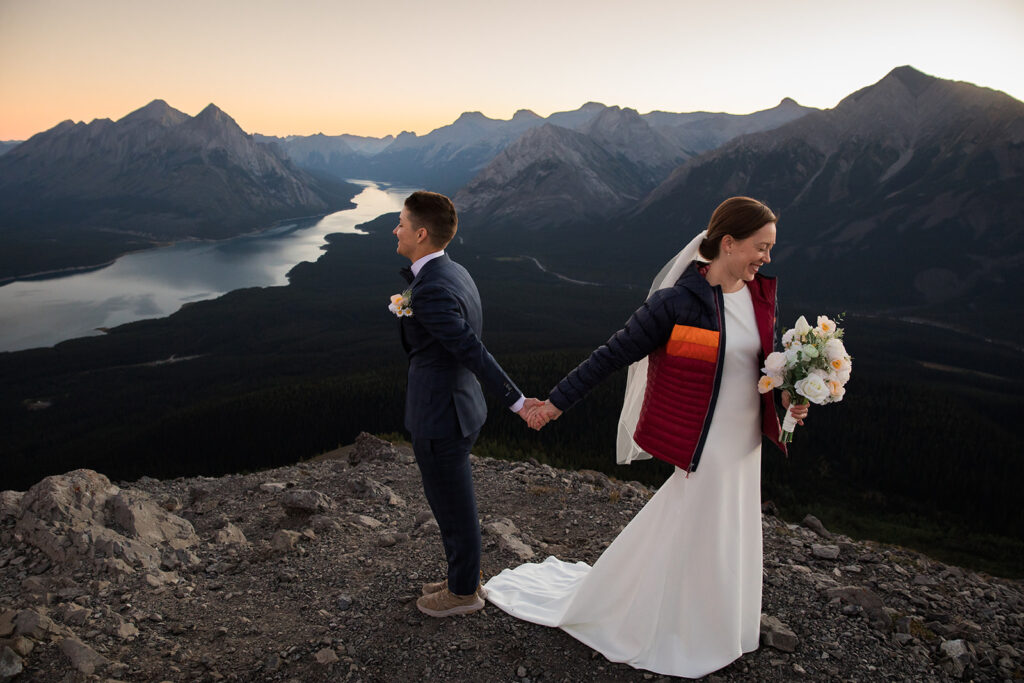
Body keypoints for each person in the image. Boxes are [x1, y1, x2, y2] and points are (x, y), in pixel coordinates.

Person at [485, 197, 808, 677]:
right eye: (760, 247)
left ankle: (721, 623)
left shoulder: (759, 295)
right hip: (707, 440)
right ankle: (679, 627)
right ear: (728, 243)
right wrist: (553, 404)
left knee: (724, 524)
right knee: (698, 524)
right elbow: (611, 355)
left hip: (745, 441)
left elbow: (759, 369)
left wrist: (787, 397)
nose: (766, 258)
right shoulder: (676, 303)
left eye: (770, 249)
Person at [392, 191, 541, 618]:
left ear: (421, 233)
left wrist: (518, 402)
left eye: (401, 223)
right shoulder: (452, 271)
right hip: (460, 406)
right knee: (452, 502)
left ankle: (462, 593)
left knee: (453, 507)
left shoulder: (433, 289)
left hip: (441, 417)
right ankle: (463, 574)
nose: (395, 229)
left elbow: (473, 350)